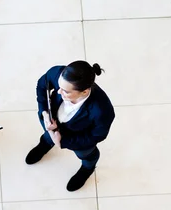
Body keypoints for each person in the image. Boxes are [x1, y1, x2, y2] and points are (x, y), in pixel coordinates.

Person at [26, 61, 115, 192]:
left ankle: (87, 168)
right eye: (59, 86)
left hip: (79, 138)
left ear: (84, 92)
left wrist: (63, 141)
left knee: (87, 155)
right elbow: (42, 86)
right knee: (47, 137)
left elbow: (97, 135)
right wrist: (44, 112)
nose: (58, 91)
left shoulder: (101, 110)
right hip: (54, 123)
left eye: (65, 91)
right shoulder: (59, 74)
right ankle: (45, 144)